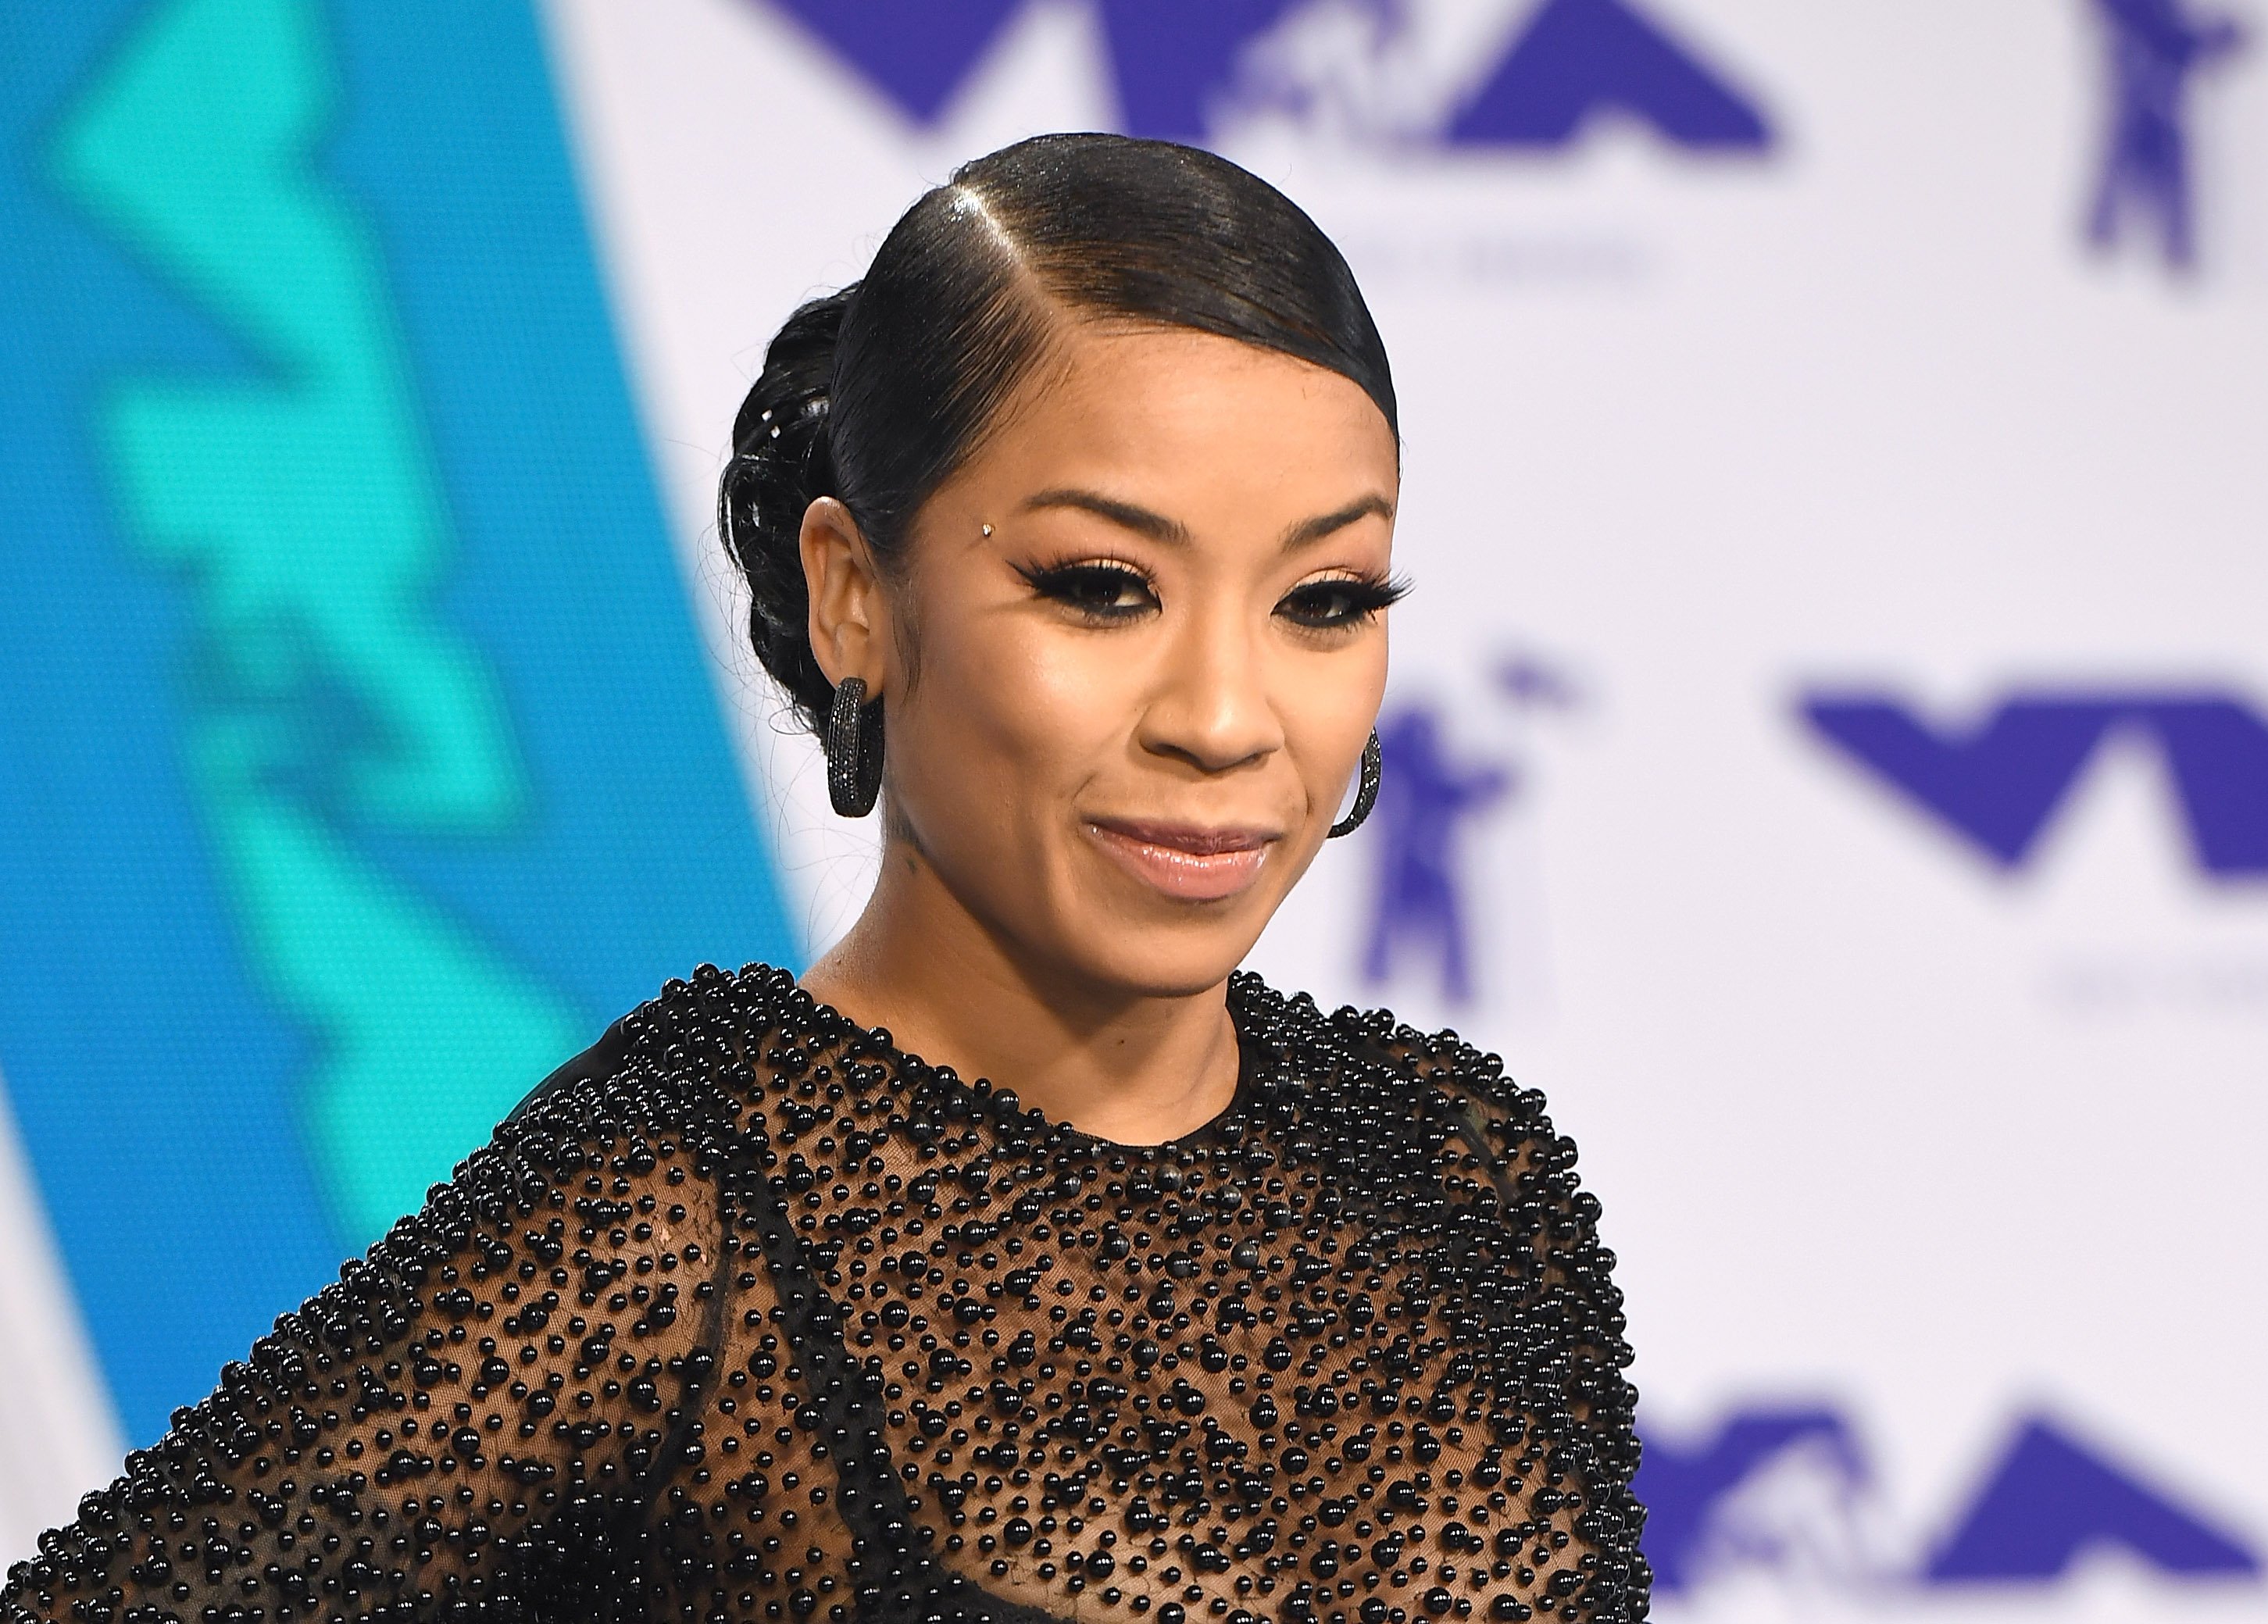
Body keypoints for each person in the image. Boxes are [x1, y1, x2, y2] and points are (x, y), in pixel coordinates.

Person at [2, 134, 1646, 1624]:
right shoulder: (679, 1225)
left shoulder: (1464, 1167)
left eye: (1326, 599)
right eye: (1101, 586)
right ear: (854, 593)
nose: (1226, 717)